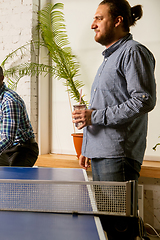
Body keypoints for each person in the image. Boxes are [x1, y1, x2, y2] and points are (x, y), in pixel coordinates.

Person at [72, 1, 156, 239]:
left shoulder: (133, 52)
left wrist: (94, 116)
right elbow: (105, 107)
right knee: (111, 226)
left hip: (117, 156)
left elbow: (143, 100)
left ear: (118, 20)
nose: (92, 24)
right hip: (102, 153)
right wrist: (88, 146)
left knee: (121, 231)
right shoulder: (110, 58)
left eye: (99, 18)